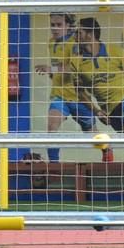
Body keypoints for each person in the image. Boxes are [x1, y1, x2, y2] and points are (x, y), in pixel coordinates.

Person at [35, 13, 112, 162]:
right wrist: (53, 75)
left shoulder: (76, 43)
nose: (54, 28)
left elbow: (73, 67)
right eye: (52, 25)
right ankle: (54, 165)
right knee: (51, 127)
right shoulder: (51, 43)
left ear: (68, 26)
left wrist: (52, 70)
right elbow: (57, 67)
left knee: (92, 133)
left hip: (78, 97)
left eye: (59, 25)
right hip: (60, 96)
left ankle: (107, 150)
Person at [70, 17, 124, 133]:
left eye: (79, 32)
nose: (75, 36)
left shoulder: (115, 51)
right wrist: (97, 111)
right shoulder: (76, 62)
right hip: (110, 110)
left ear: (90, 34)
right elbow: (80, 92)